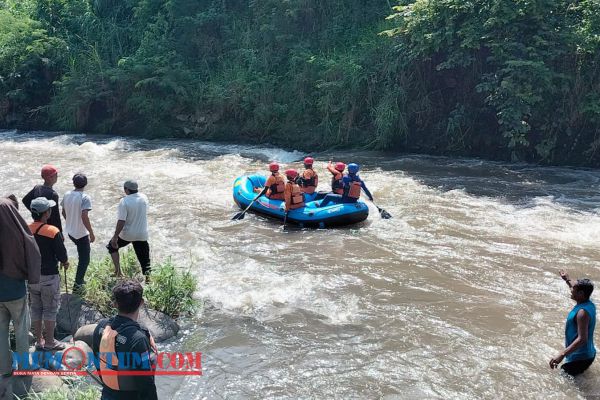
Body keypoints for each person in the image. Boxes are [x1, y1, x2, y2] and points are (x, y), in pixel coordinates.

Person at [92, 279, 158, 400]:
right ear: (141, 302)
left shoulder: (101, 327)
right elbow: (146, 383)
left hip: (107, 394)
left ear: (115, 304)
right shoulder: (138, 339)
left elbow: (97, 361)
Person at [0, 196, 40, 378]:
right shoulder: (7, 209)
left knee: (0, 331)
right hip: (14, 288)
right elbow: (29, 244)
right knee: (21, 328)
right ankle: (24, 367)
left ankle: (4, 369)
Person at [28, 197, 69, 351]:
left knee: (36, 308)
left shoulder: (25, 228)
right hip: (49, 277)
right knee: (50, 309)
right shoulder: (52, 231)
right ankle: (50, 342)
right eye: (49, 209)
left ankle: (39, 341)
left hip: (32, 277)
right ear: (46, 213)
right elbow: (61, 254)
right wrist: (65, 263)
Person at [550, 270, 596, 376]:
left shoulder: (582, 313)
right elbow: (574, 288)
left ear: (581, 294)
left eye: (574, 290)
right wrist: (567, 279)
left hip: (580, 358)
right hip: (586, 354)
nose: (571, 291)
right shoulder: (589, 303)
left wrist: (561, 355)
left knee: (563, 382)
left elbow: (582, 339)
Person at [107, 180, 150, 278]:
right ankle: (148, 279)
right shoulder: (144, 198)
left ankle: (118, 272)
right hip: (142, 233)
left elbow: (121, 221)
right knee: (144, 257)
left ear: (126, 190)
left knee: (112, 247)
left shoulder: (124, 201)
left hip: (127, 234)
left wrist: (115, 237)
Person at [62, 173, 95, 291]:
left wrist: (70, 221)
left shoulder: (66, 195)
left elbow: (63, 212)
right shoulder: (85, 197)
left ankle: (79, 280)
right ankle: (78, 284)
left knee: (81, 254)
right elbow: (84, 216)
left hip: (70, 232)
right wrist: (91, 232)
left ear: (73, 183)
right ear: (85, 184)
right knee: (85, 259)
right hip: (81, 234)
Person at [22, 165, 63, 232]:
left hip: (38, 223)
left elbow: (25, 200)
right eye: (56, 175)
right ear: (50, 177)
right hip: (50, 227)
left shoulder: (37, 188)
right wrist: (60, 232)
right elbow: (56, 216)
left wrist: (36, 212)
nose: (57, 177)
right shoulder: (53, 194)